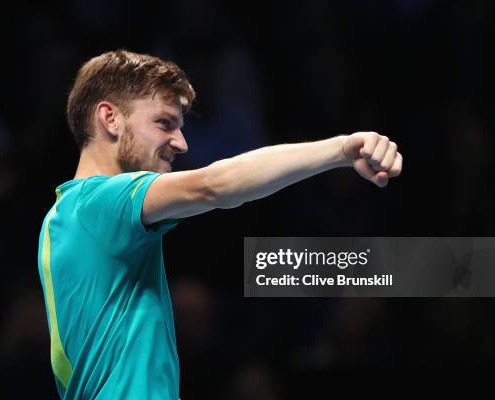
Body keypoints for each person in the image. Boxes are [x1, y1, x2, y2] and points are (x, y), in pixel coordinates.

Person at [36, 49, 402, 400]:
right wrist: (341, 149)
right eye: (164, 123)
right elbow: (216, 185)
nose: (180, 143)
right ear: (110, 118)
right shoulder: (99, 203)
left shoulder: (64, 216)